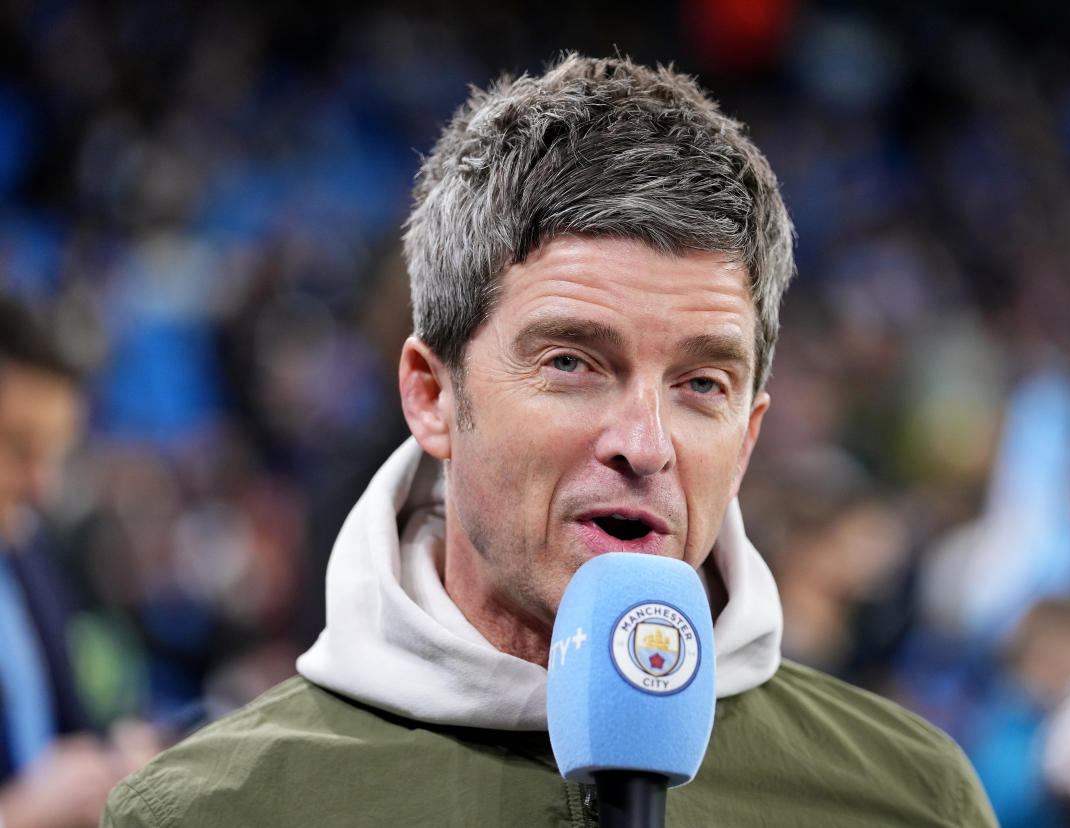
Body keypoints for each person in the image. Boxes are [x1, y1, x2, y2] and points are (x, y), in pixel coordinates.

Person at [103, 54, 998, 826]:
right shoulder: (205, 813)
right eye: (573, 362)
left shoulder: (914, 799)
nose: (645, 444)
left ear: (750, 433)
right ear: (431, 395)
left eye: (701, 384)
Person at [0, 296, 157, 828]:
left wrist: (116, 760)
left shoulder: (31, 557)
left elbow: (70, 739)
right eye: (19, 448)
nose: (42, 485)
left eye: (54, 452)